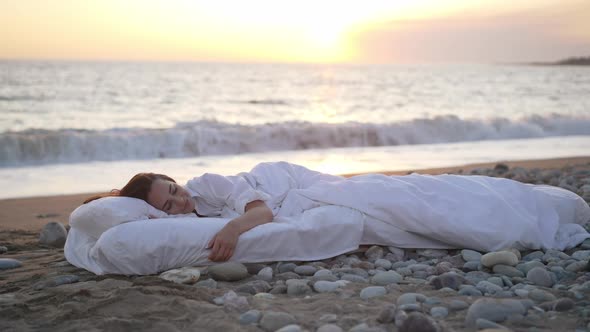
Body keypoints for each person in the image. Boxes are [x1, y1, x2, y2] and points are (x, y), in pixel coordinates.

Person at [85, 161, 590, 262]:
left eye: (172, 189)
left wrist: (237, 227)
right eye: (167, 204)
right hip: (299, 198)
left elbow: (258, 210)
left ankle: (536, 213)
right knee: (409, 209)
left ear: (176, 180)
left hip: (298, 189)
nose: (179, 201)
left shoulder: (209, 185)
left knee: (412, 198)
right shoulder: (180, 221)